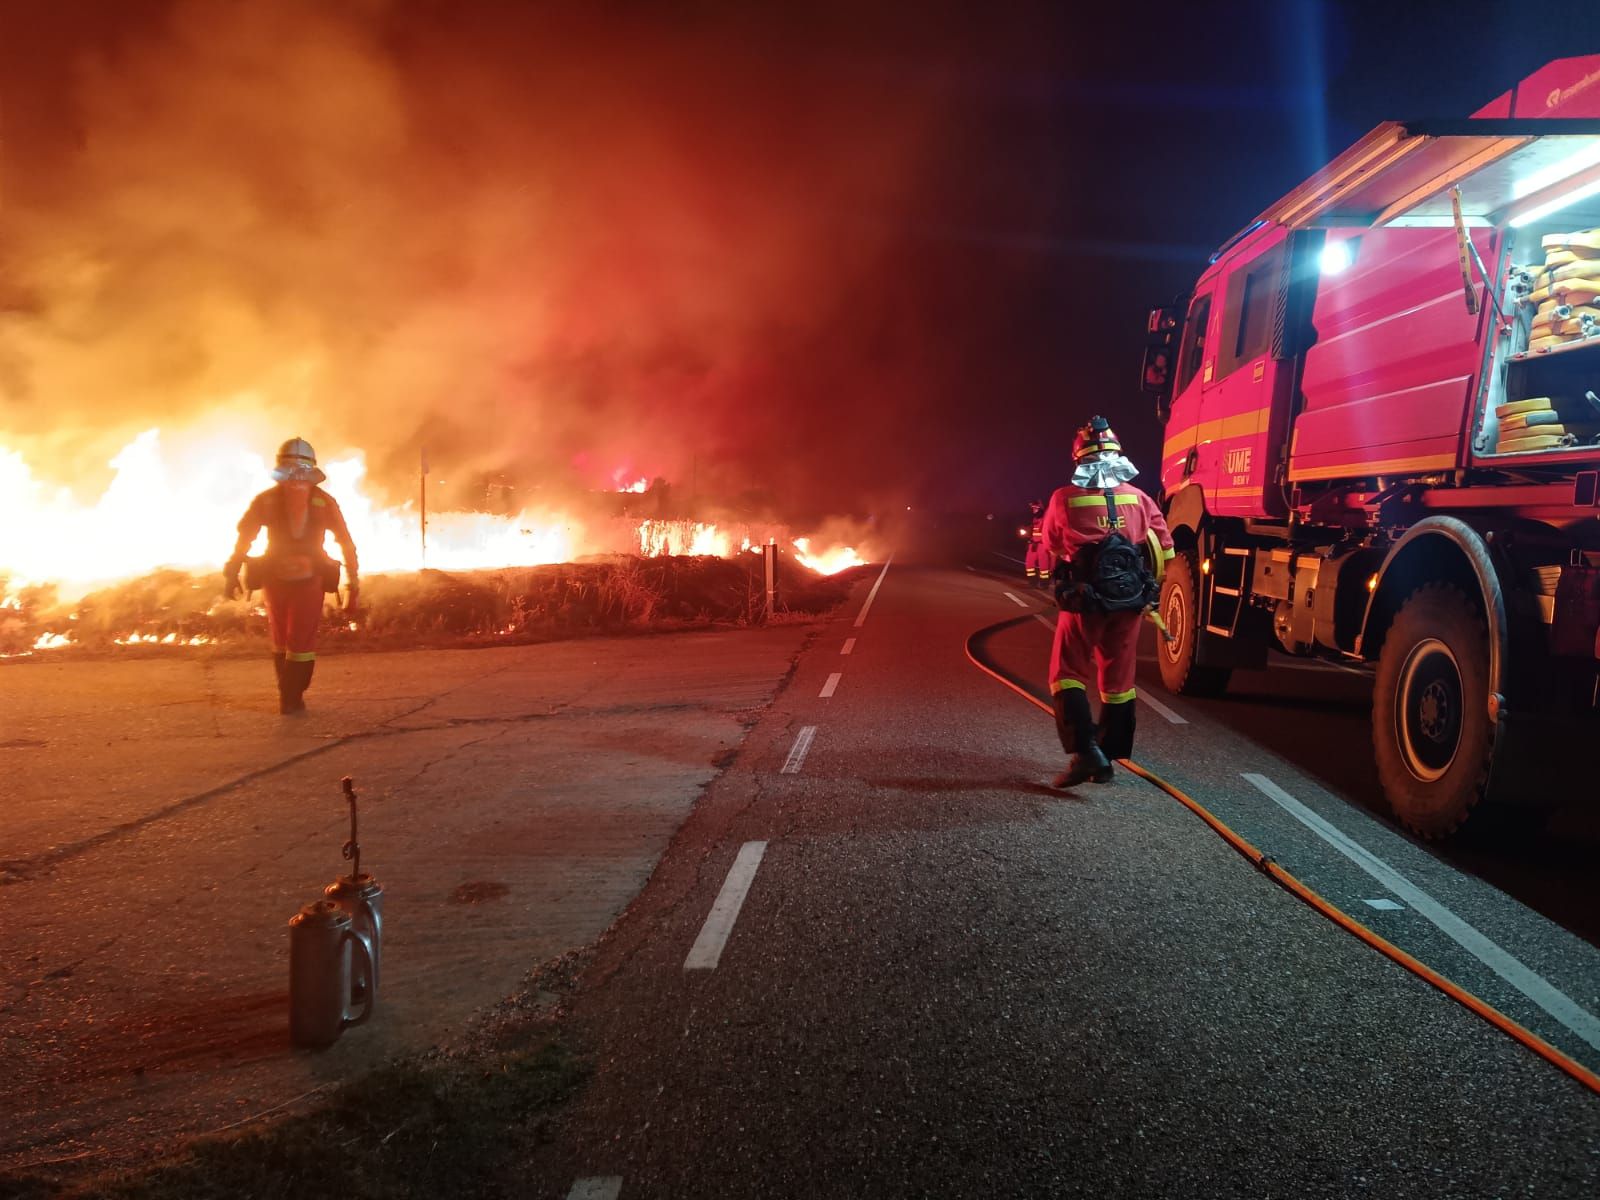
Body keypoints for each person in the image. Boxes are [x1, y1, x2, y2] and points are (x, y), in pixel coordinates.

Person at [1041, 416, 1173, 788]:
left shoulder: (1064, 498)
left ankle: (1086, 753)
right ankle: (1110, 753)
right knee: (1119, 678)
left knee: (1066, 673)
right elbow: (1164, 547)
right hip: (1129, 601)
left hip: (1086, 601)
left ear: (1080, 458)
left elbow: (1052, 543)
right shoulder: (1140, 498)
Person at [224, 438, 360, 715]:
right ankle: (291, 696)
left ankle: (288, 694)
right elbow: (345, 542)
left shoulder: (267, 500)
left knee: (283, 637)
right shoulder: (323, 501)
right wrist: (352, 582)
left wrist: (232, 571)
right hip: (305, 580)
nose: (297, 481)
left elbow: (244, 538)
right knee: (299, 640)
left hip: (278, 578)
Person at [1022, 500, 1052, 585]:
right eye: (1032, 508)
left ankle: (1044, 583)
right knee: (1029, 563)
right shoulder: (1035, 518)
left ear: (1040, 509)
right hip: (1033, 544)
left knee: (1044, 565)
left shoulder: (1046, 518)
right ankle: (1032, 581)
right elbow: (1033, 530)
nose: (1033, 510)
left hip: (1042, 544)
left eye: (1035, 508)